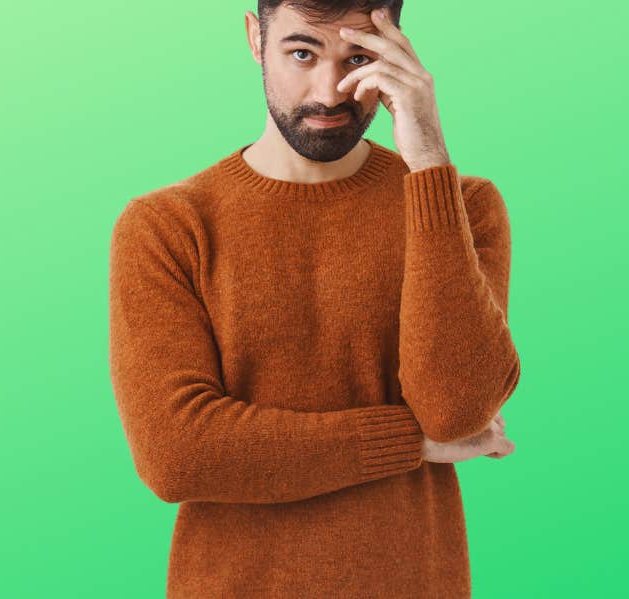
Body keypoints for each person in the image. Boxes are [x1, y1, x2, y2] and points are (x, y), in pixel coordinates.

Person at [107, 2, 520, 597]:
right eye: (302, 53)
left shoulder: (460, 207)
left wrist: (427, 155)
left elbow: (456, 412)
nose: (331, 92)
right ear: (256, 37)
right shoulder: (168, 226)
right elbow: (178, 454)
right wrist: (410, 442)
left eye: (358, 58)